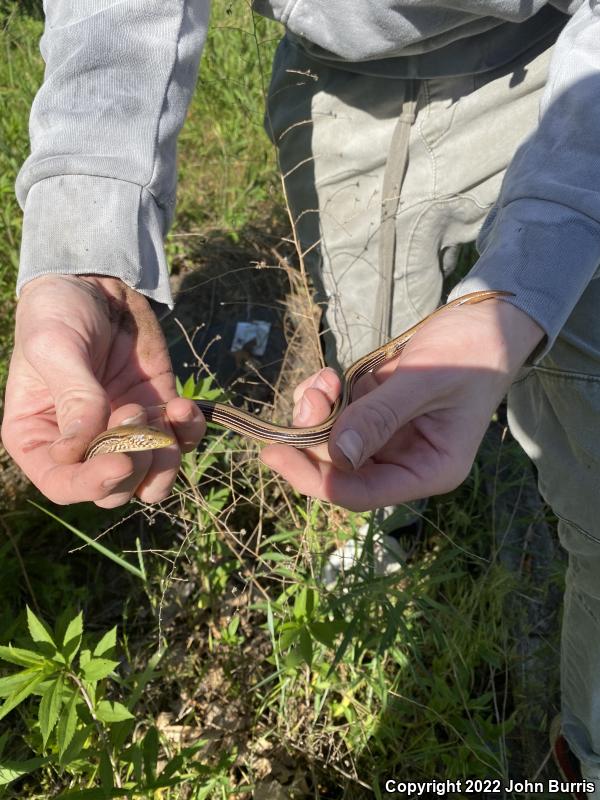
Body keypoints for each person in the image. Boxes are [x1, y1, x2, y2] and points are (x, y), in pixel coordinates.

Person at [2, 1, 600, 796]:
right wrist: (85, 251)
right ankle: (378, 527)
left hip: (571, 77)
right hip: (340, 84)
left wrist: (528, 287)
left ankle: (586, 757)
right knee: (362, 373)